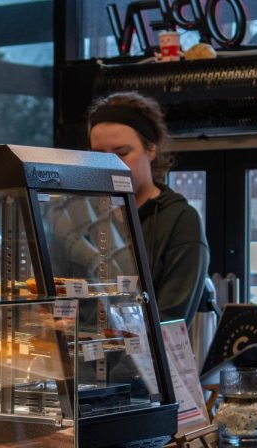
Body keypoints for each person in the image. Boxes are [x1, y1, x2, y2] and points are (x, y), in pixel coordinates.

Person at [88, 92, 209, 322]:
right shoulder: (86, 217)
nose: (110, 164)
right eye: (98, 155)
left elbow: (171, 318)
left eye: (122, 153)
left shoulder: (180, 220)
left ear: (151, 148)